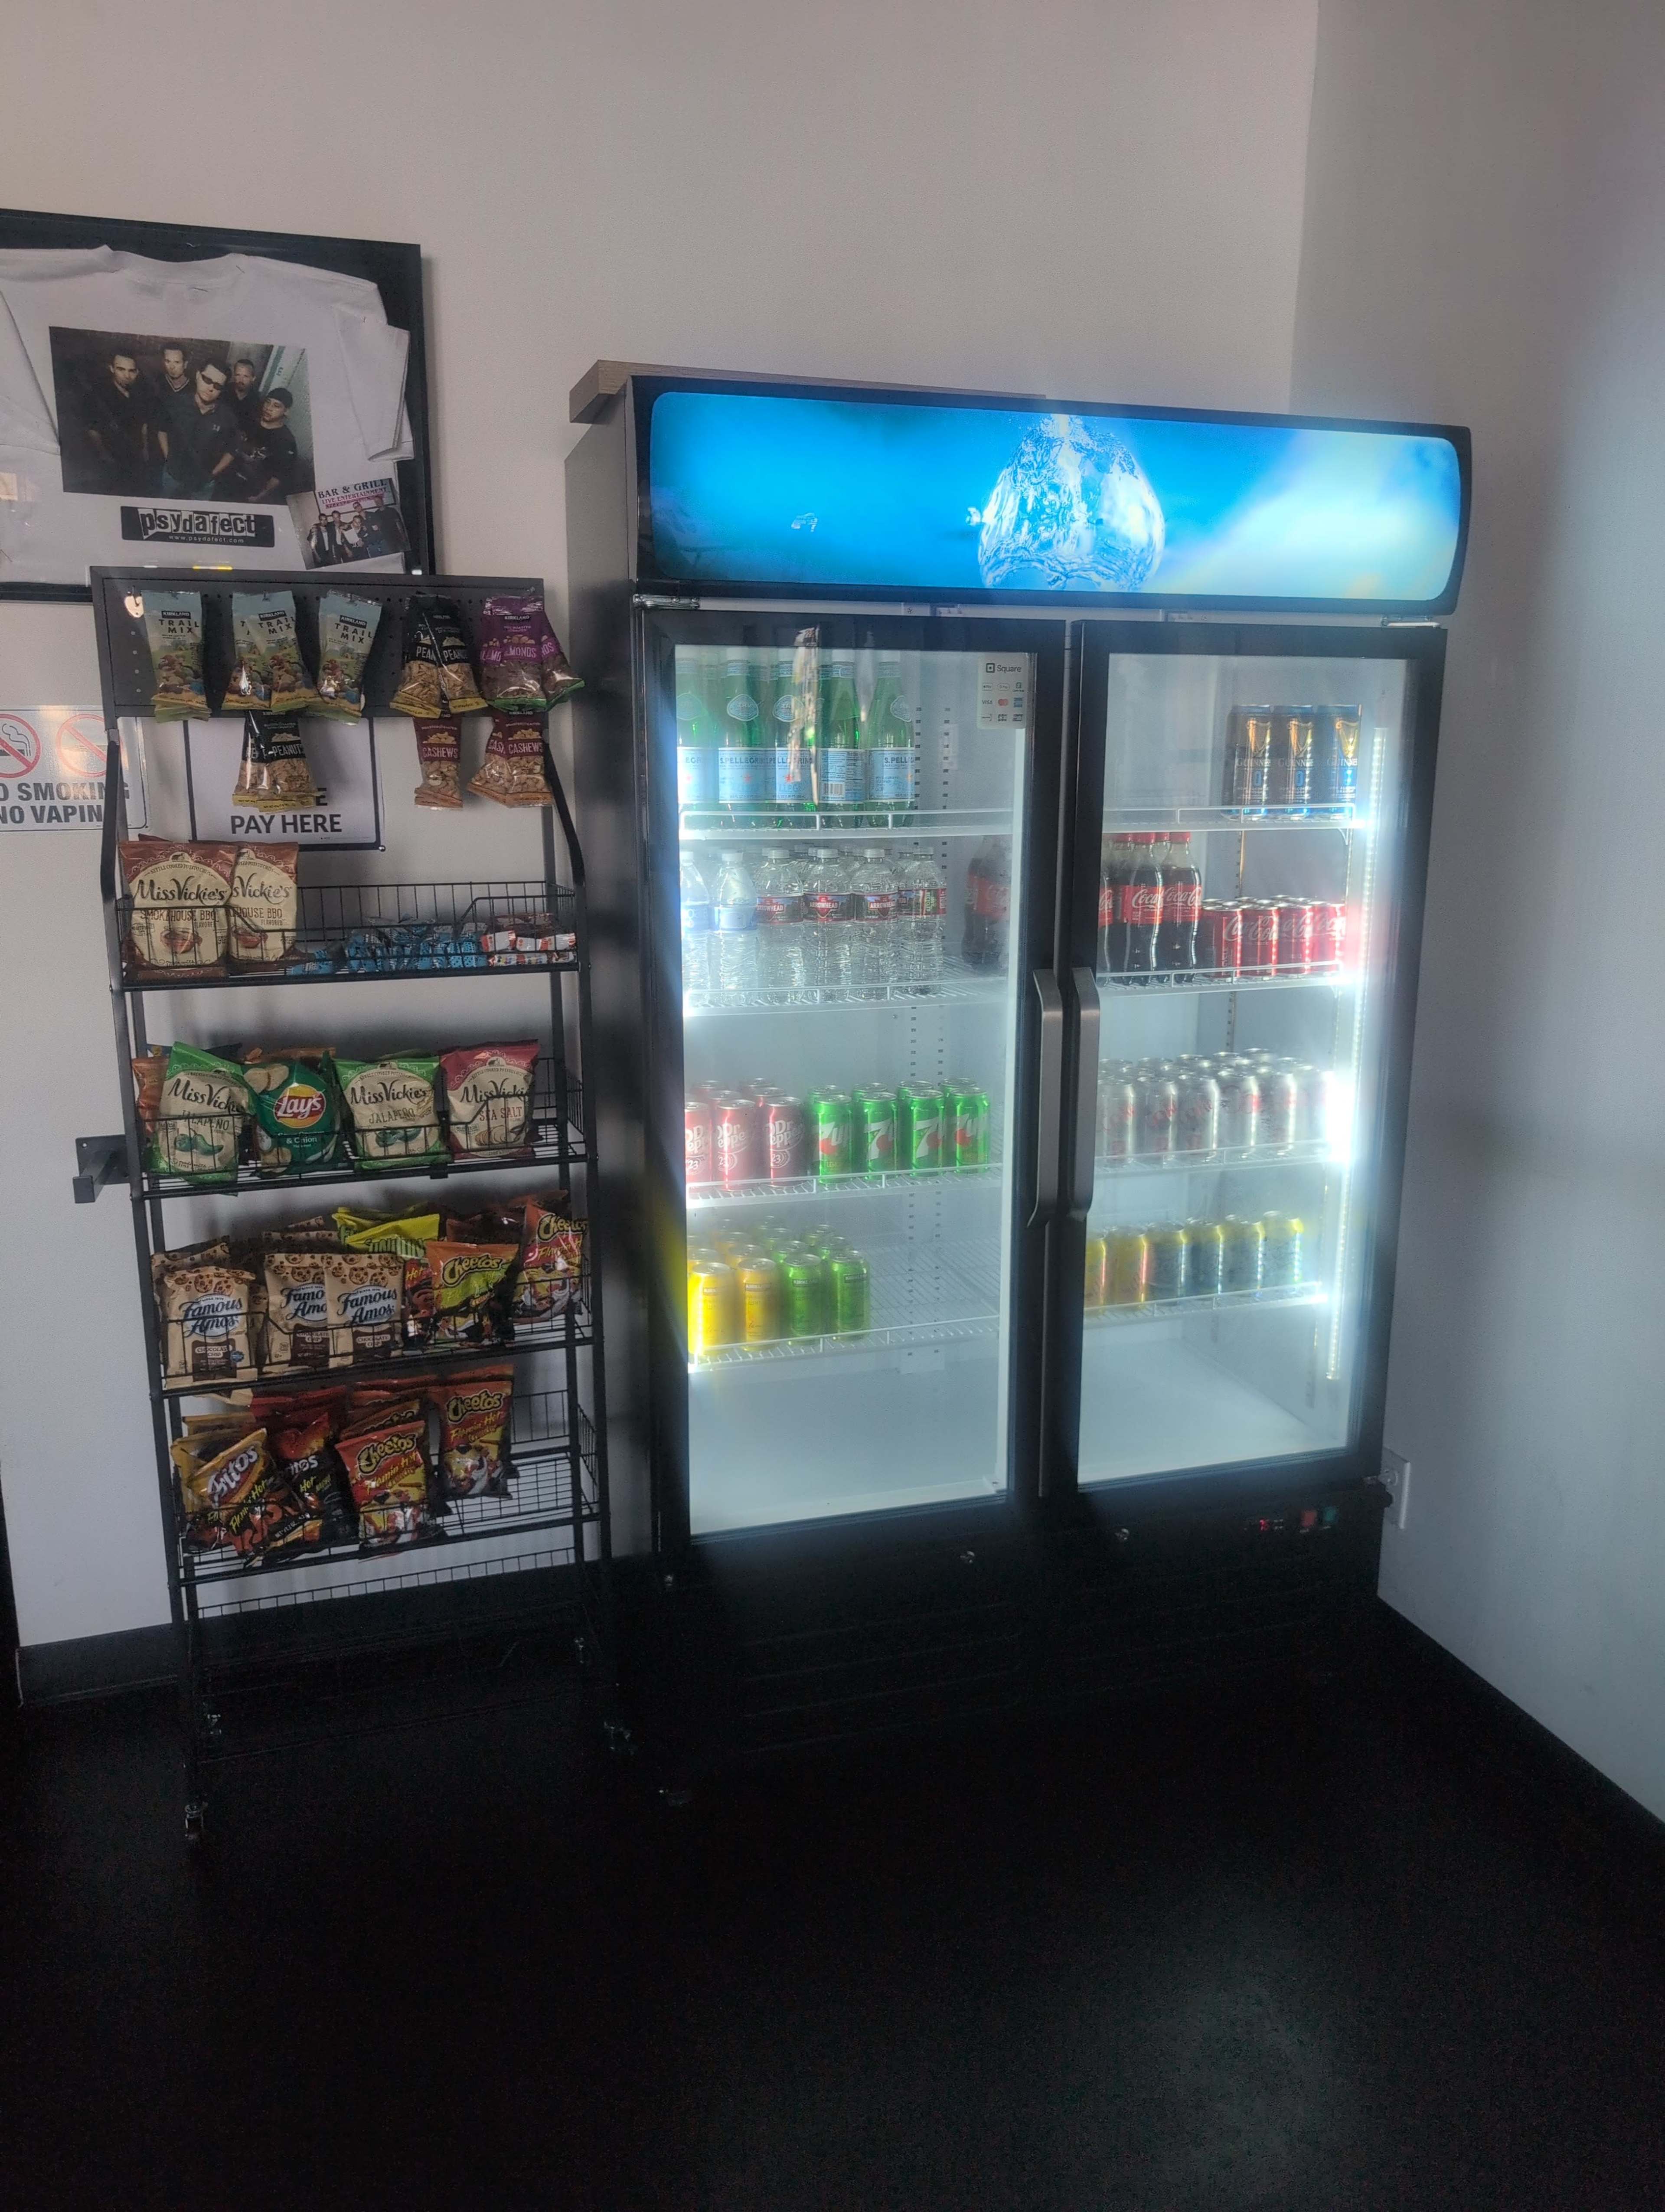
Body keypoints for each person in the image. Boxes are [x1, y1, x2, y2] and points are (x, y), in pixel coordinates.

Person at [156, 359, 239, 499]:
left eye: (218, 386)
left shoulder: (228, 417)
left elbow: (233, 449)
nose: (211, 388)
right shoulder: (175, 403)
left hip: (203, 484)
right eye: (207, 380)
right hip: (172, 475)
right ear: (198, 376)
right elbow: (162, 430)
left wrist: (212, 475)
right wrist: (169, 459)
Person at [73, 346, 151, 494]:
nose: (127, 376)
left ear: (137, 372)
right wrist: (104, 456)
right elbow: (93, 431)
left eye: (131, 371)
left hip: (137, 459)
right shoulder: (99, 396)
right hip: (112, 461)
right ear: (112, 369)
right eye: (121, 369)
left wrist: (145, 449)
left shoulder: (140, 395)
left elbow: (144, 424)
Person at [228, 386, 300, 503]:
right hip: (229, 472)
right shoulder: (250, 419)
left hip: (249, 487)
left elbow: (277, 477)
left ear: (286, 411)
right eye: (268, 402)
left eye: (276, 406)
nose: (269, 408)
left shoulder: (286, 441)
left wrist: (259, 497)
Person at [226, 356, 262, 441]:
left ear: (253, 379)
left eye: (246, 376)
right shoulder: (224, 392)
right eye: (238, 375)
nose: (241, 380)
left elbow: (254, 428)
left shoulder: (257, 401)